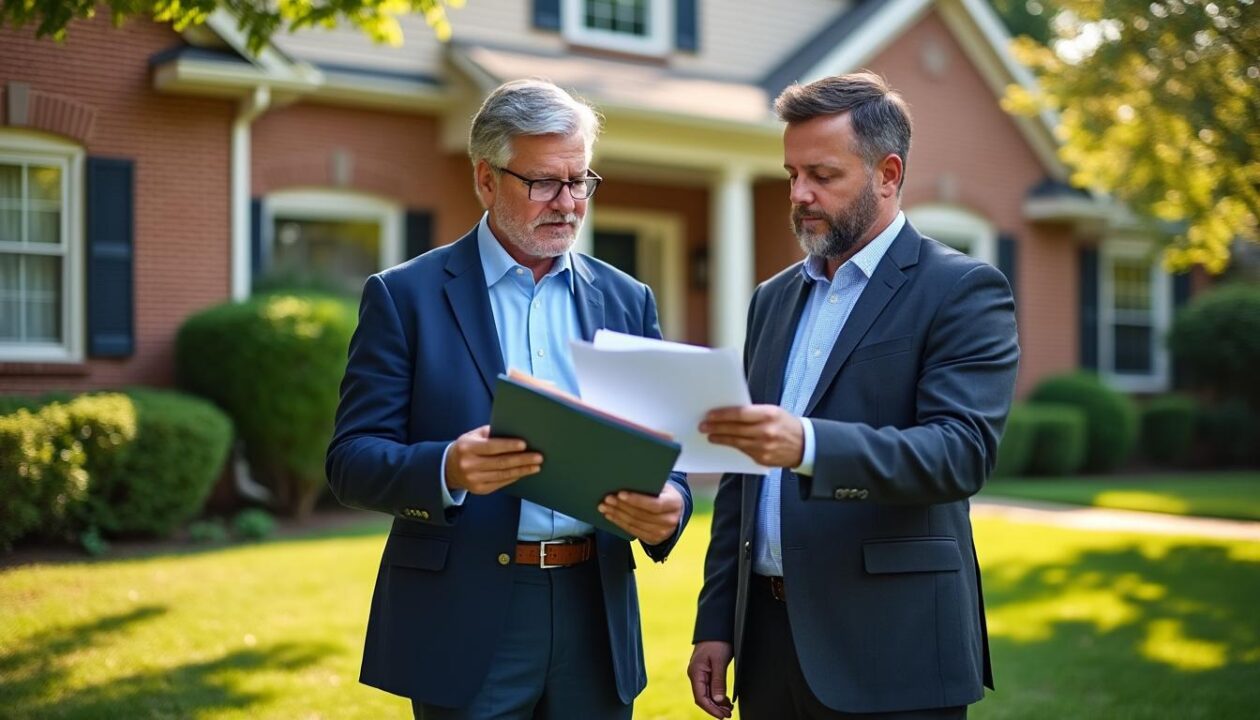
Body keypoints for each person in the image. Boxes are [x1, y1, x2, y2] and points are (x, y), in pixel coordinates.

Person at [326, 78, 692, 720]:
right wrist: (448, 469)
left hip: (594, 608)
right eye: (544, 182)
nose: (569, 203)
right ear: (486, 180)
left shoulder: (627, 300)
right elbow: (351, 461)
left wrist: (672, 506)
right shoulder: (404, 297)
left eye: (580, 181)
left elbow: (668, 454)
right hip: (466, 615)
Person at [688, 72, 1019, 720]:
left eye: (822, 175)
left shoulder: (963, 289)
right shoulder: (772, 299)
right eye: (791, 174)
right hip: (769, 646)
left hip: (891, 645)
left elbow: (961, 453)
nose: (799, 195)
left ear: (887, 174)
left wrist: (807, 444)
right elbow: (740, 477)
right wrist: (716, 622)